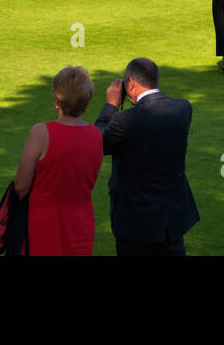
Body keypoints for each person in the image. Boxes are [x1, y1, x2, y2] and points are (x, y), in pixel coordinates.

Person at [94, 57, 199, 256]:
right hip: (171, 220)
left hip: (134, 224)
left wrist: (110, 106)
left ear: (130, 84)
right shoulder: (183, 108)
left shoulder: (124, 120)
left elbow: (96, 143)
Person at [12, 65, 103, 256]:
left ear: (56, 100)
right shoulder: (95, 135)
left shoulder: (41, 133)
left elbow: (21, 186)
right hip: (81, 225)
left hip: (45, 227)